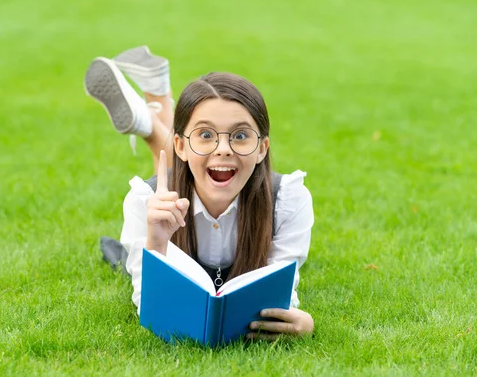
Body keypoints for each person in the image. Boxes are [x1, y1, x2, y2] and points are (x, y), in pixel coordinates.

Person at [84, 46, 314, 340]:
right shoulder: (145, 200)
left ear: (262, 148)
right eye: (206, 135)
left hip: (194, 164)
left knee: (189, 168)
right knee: (174, 181)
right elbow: (151, 307)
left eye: (241, 136)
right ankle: (157, 121)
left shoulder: (287, 198)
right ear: (178, 145)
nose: (223, 148)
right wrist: (156, 242)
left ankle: (155, 118)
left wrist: (303, 323)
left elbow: (282, 295)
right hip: (172, 185)